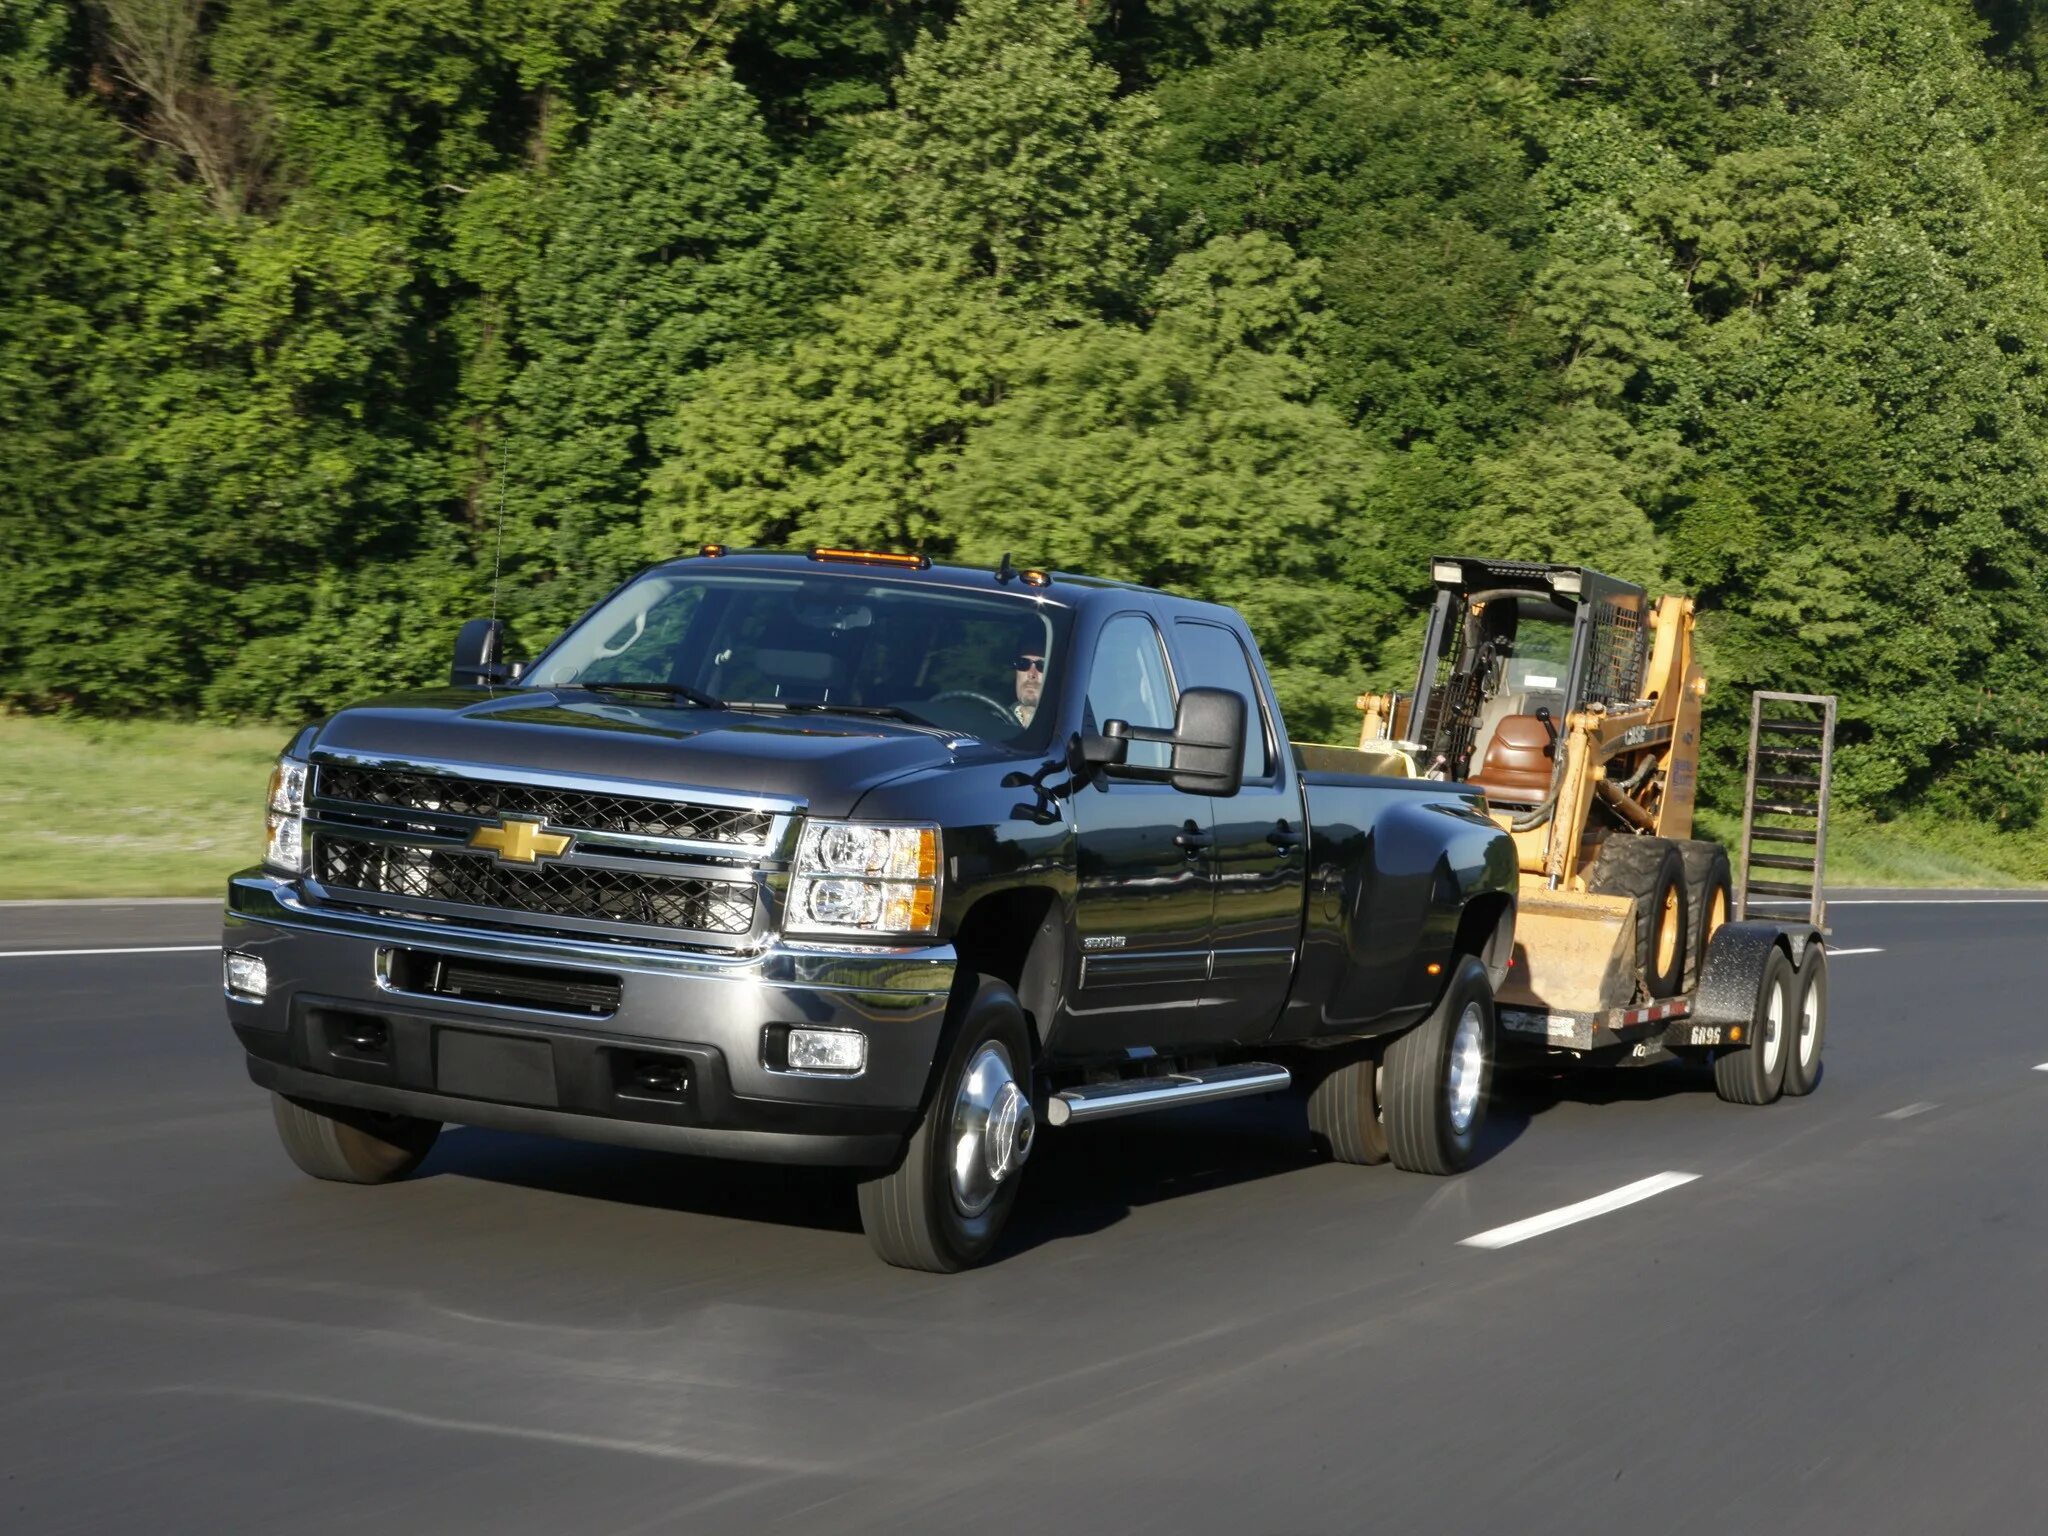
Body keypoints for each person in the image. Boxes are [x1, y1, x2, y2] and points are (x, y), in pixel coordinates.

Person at [1012, 644, 1046, 728]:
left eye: (1042, 665)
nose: (1031, 674)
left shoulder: (1069, 733)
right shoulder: (993, 721)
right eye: (1023, 663)